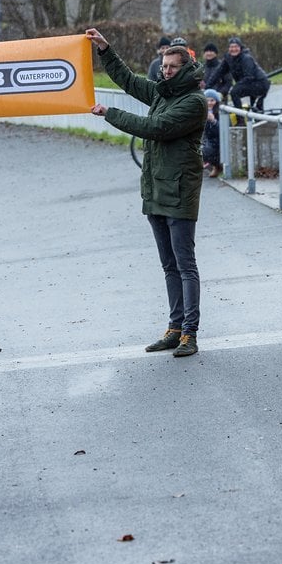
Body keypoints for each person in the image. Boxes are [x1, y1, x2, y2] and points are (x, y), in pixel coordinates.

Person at [86, 28, 208, 358]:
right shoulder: (162, 93)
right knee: (169, 265)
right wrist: (105, 48)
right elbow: (129, 80)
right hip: (155, 191)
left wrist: (110, 114)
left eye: (171, 67)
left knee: (185, 266)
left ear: (185, 68)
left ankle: (189, 333)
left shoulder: (194, 103)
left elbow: (155, 128)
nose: (164, 71)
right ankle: (174, 327)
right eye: (163, 66)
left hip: (180, 192)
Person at [206, 37, 270, 112]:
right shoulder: (228, 58)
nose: (233, 49)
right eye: (231, 47)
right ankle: (254, 114)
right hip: (249, 83)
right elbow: (219, 72)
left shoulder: (246, 58)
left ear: (240, 47)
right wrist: (208, 86)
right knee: (252, 106)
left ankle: (240, 117)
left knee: (234, 92)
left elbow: (249, 76)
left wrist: (236, 86)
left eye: (236, 47)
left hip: (260, 83)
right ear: (229, 48)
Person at [201, 89, 222, 178]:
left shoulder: (221, 112)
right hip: (206, 138)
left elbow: (222, 130)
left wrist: (213, 121)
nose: (209, 103)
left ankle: (217, 166)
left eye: (212, 100)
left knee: (207, 150)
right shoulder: (201, 111)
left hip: (217, 139)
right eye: (207, 100)